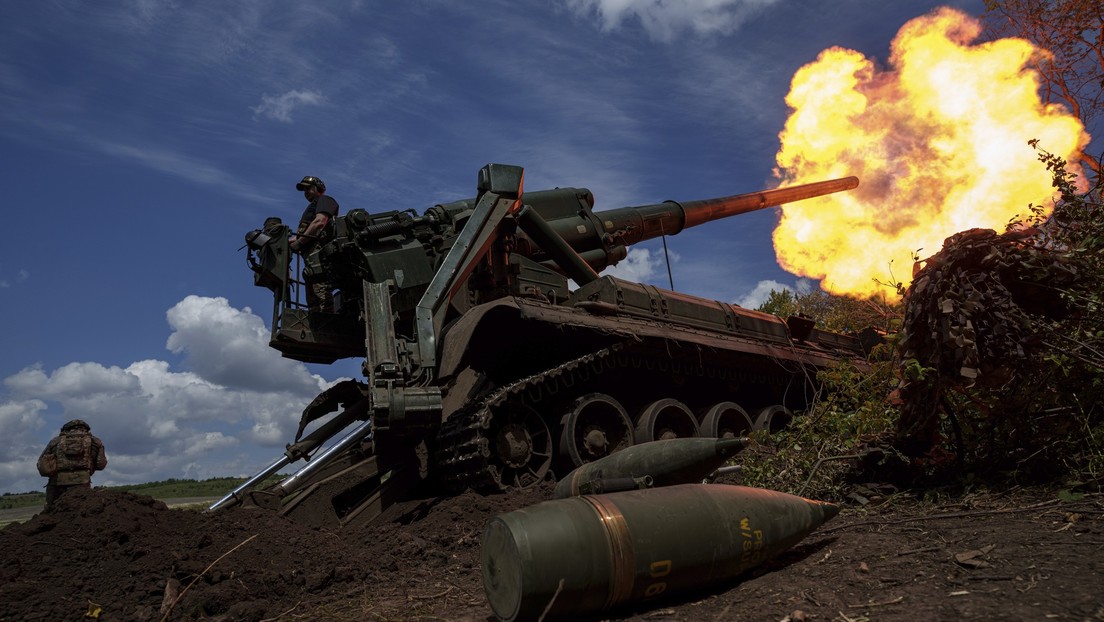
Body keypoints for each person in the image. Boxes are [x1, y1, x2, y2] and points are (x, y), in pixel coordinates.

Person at [290, 175, 340, 312]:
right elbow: (304, 234)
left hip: (319, 257)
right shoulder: (311, 207)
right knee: (314, 299)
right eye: (303, 189)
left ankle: (326, 322)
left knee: (321, 293)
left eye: (308, 188)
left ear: (319, 188)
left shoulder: (325, 200)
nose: (306, 192)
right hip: (311, 260)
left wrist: (299, 242)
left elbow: (320, 222)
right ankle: (317, 316)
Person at [36, 419, 108, 507]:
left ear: (66, 429)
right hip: (82, 484)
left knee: (52, 512)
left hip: (57, 484)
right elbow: (101, 465)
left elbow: (41, 464)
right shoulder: (95, 442)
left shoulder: (55, 441)